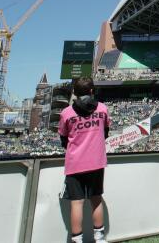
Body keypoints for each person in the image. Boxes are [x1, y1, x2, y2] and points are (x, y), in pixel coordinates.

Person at [59, 77, 111, 243]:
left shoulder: (66, 113)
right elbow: (106, 132)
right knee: (96, 200)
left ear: (74, 93)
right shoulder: (103, 109)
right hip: (96, 161)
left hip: (75, 163)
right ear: (91, 91)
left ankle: (77, 240)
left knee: (77, 203)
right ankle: (100, 238)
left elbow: (64, 139)